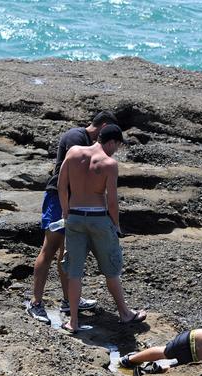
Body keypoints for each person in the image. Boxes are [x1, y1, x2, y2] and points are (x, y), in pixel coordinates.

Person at [27, 110, 119, 324]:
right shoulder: (76, 138)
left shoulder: (87, 142)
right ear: (104, 126)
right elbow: (72, 175)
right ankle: (36, 303)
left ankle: (69, 300)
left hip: (74, 203)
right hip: (58, 199)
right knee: (49, 248)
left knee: (66, 252)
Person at [57, 124, 147, 333]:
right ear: (112, 142)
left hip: (75, 216)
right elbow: (112, 201)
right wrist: (115, 225)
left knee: (74, 271)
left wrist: (65, 211)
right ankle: (125, 313)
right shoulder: (109, 163)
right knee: (111, 270)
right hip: (98, 218)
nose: (115, 150)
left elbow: (62, 185)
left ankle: (73, 322)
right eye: (116, 146)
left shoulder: (73, 152)